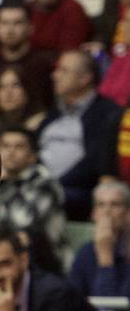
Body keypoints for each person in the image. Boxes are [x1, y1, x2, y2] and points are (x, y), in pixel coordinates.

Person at [39, 49, 120, 221]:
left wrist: (53, 185)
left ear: (85, 78)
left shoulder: (106, 112)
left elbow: (96, 162)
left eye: (64, 70)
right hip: (41, 184)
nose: (55, 76)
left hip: (77, 190)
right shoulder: (55, 112)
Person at [0, 127, 66, 247]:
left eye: (19, 147)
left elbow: (23, 222)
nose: (10, 152)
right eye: (5, 146)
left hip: (44, 256)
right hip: (6, 252)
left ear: (32, 156)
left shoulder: (45, 183)